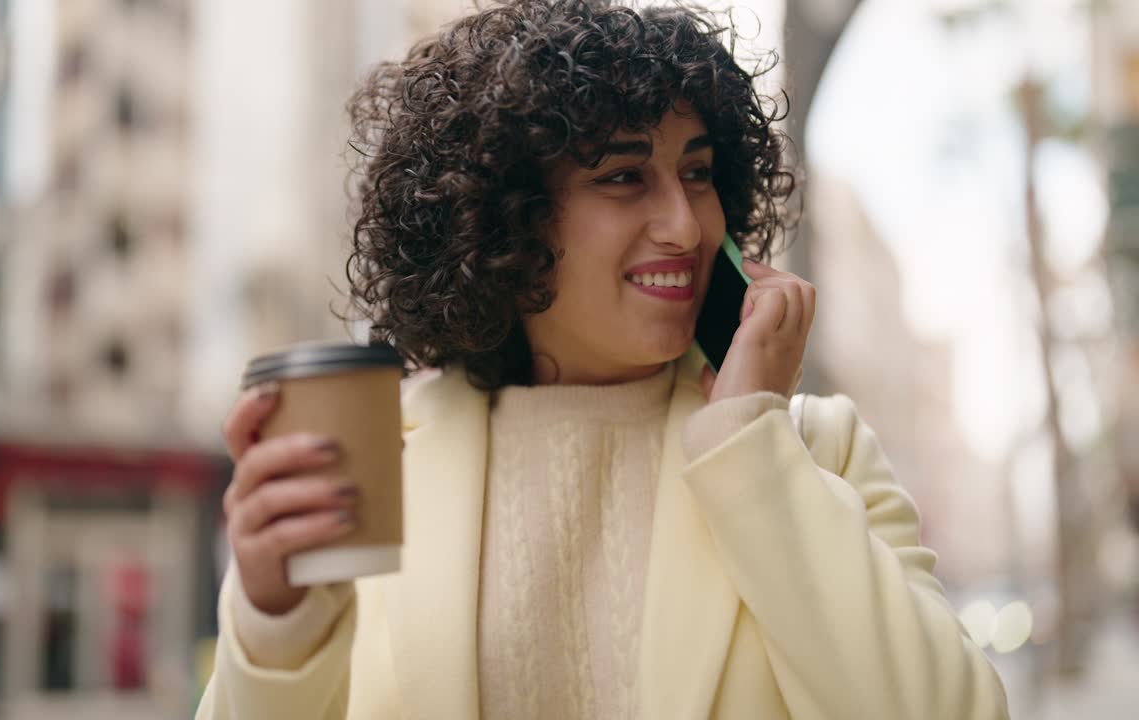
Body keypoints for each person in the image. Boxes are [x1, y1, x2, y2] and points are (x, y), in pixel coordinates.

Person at [197, 1, 1010, 718]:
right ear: (504, 219)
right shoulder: (380, 467)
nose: (687, 228)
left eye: (697, 173)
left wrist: (750, 446)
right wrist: (276, 624)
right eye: (624, 177)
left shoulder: (815, 451)